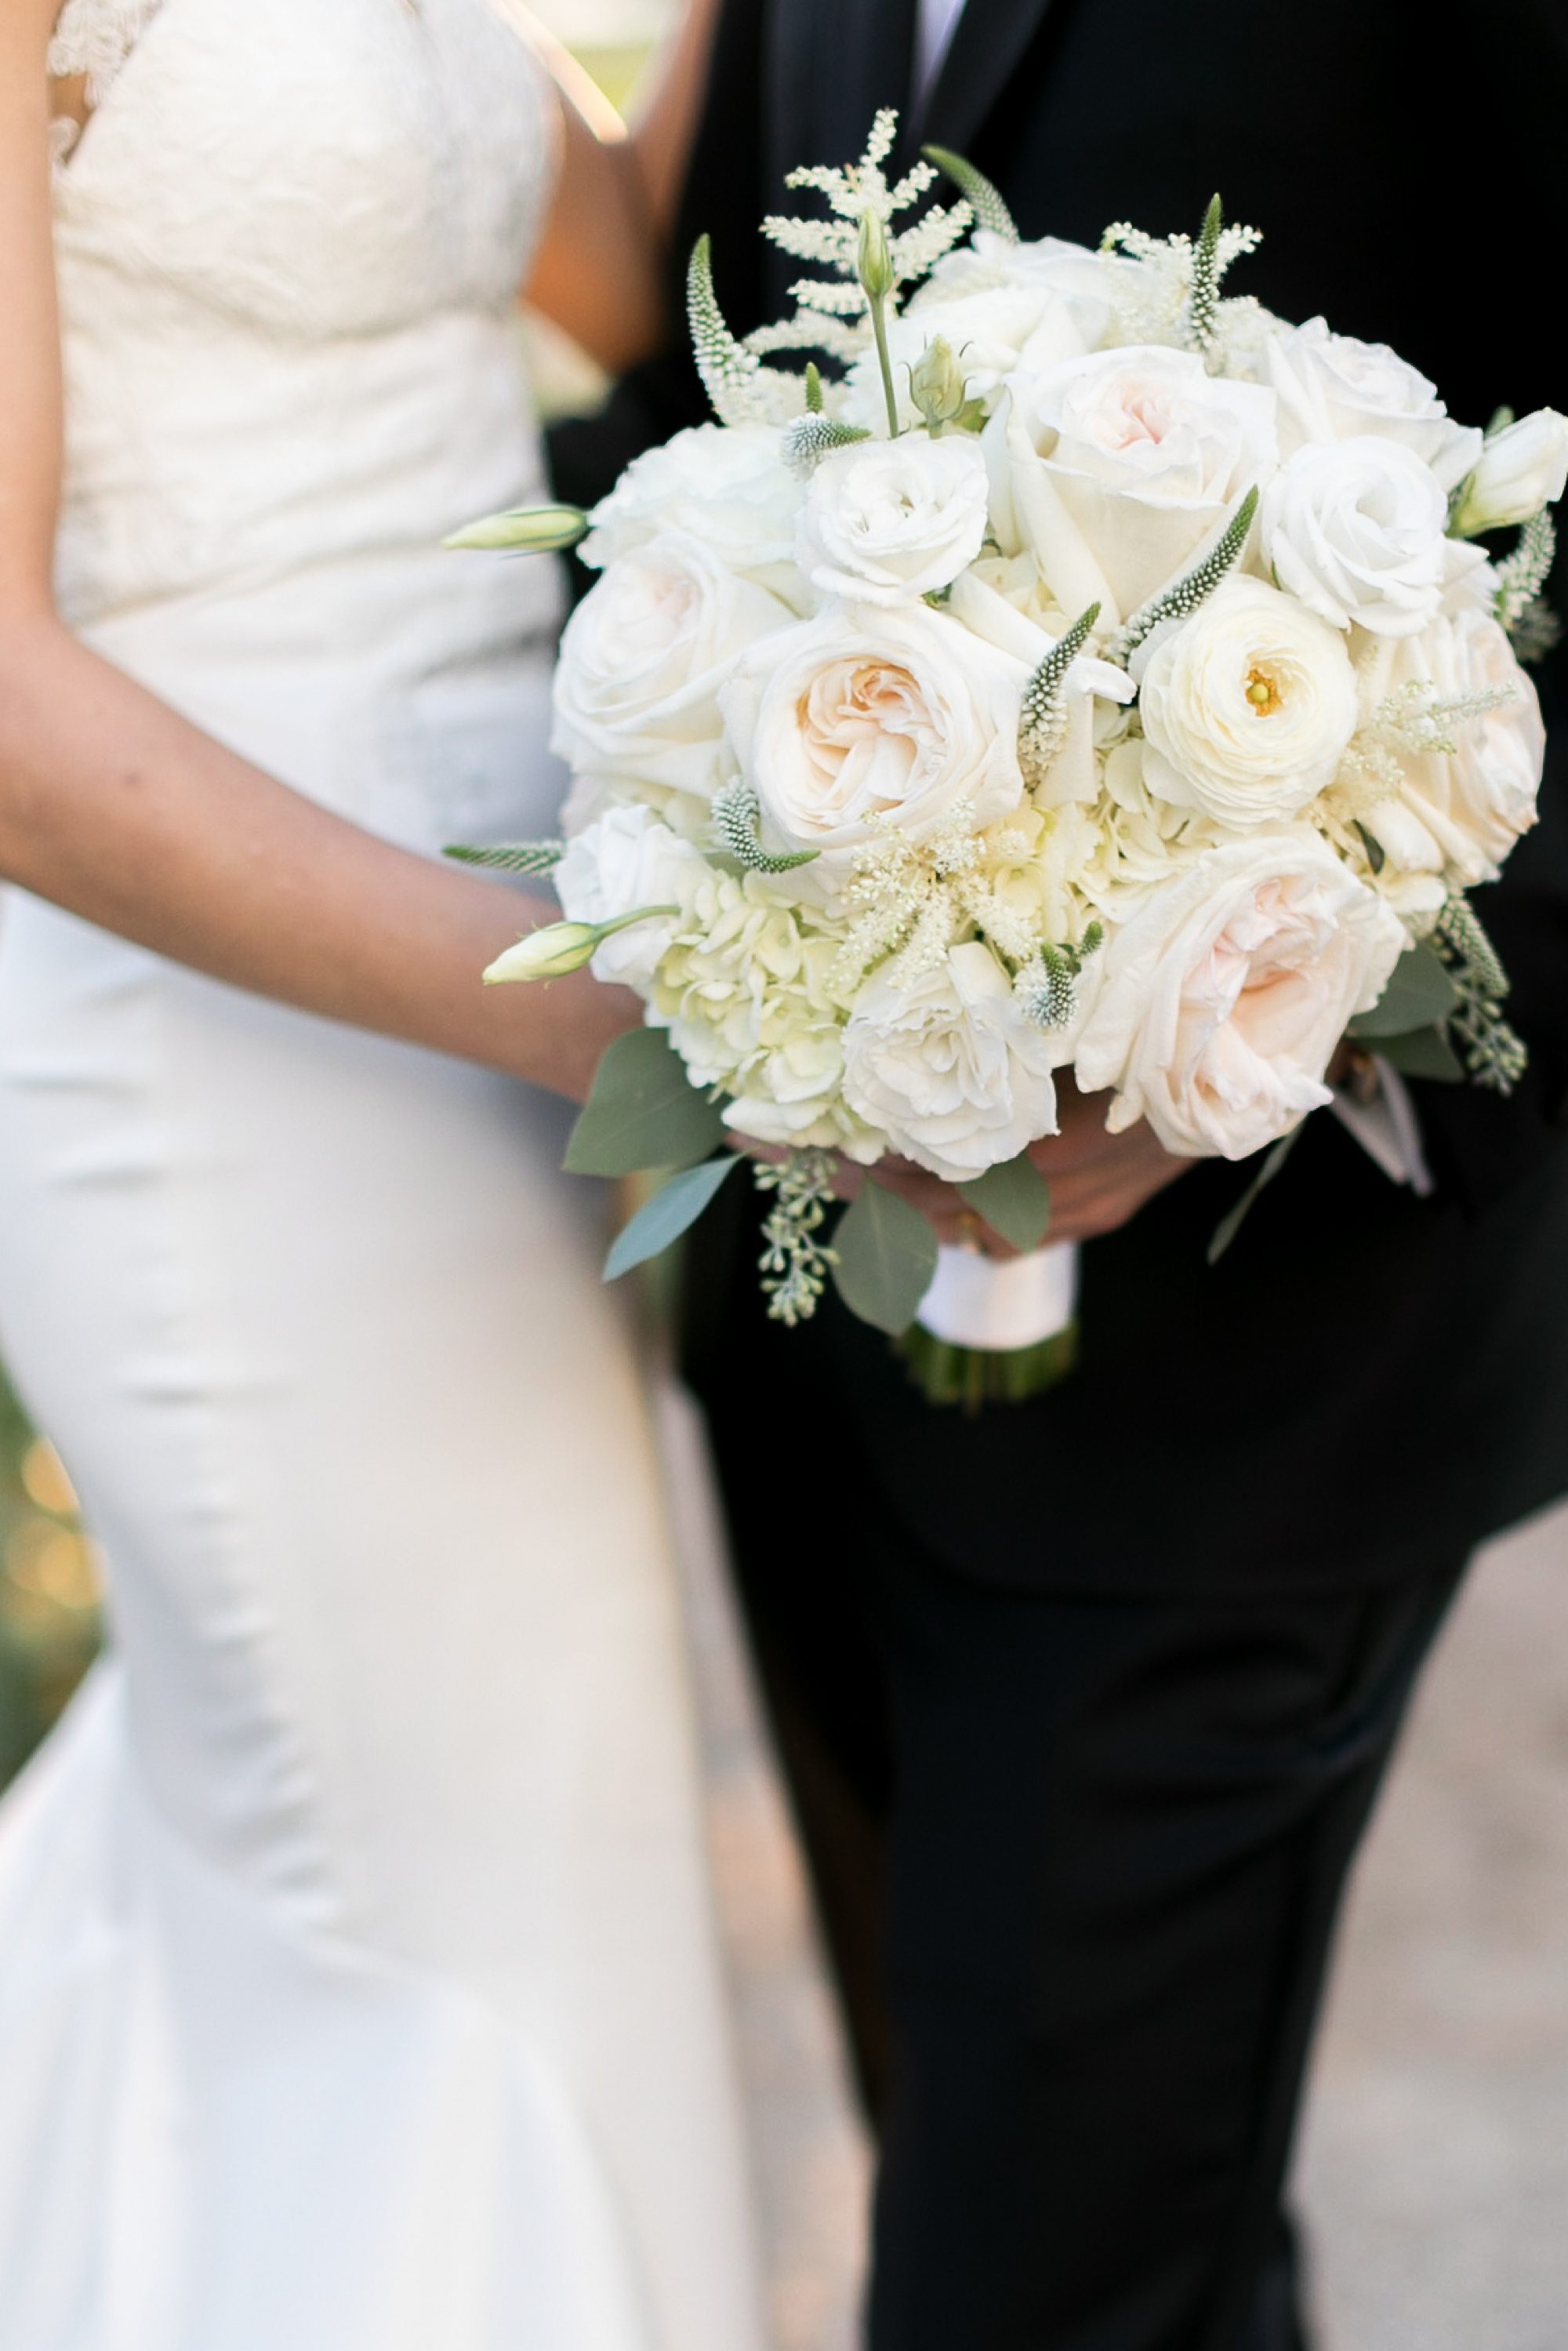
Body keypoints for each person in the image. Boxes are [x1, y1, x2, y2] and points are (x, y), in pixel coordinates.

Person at [552, 0, 1568, 2343]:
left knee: (1033, 2290)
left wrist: (1284, 1014)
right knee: (1076, 2215)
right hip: (823, 1331)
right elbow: (719, 348)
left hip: (1263, 1378)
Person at [0, 4, 768, 2347]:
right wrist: (583, 1001)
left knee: (523, 1856)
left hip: (503, 962)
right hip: (228, 1032)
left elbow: (621, 269)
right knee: (444, 1899)